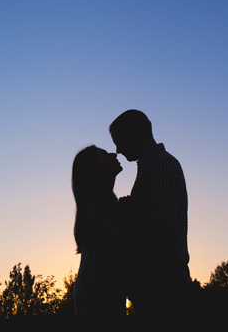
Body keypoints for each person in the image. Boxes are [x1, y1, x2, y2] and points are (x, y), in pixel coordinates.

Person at [110, 109, 190, 330]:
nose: (118, 149)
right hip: (159, 277)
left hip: (161, 279)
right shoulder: (152, 165)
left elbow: (161, 222)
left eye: (119, 140)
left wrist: (134, 267)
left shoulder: (159, 164)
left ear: (135, 132)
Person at [72, 145, 126, 330]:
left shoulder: (102, 201)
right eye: (104, 154)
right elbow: (118, 241)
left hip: (99, 294)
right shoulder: (97, 201)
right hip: (98, 295)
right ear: (97, 168)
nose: (113, 154)